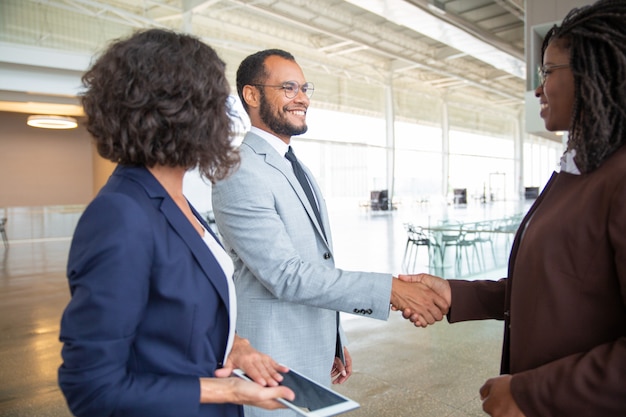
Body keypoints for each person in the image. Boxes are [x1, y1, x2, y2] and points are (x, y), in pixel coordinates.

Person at [400, 1, 626, 416]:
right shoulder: (578, 171)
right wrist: (458, 294)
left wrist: (535, 393)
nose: (538, 89)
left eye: (548, 72)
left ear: (594, 73)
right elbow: (562, 285)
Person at [57, 29, 296, 417]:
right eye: (217, 103)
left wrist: (234, 345)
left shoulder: (173, 198)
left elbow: (171, 318)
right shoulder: (121, 215)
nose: (226, 116)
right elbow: (92, 388)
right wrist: (227, 391)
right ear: (183, 113)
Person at [211, 48, 449, 416]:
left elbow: (316, 259)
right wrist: (390, 290)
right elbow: (285, 274)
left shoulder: (295, 165)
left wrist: (333, 340)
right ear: (252, 95)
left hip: (310, 347)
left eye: (304, 87)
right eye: (288, 88)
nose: (302, 98)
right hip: (271, 357)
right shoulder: (240, 169)